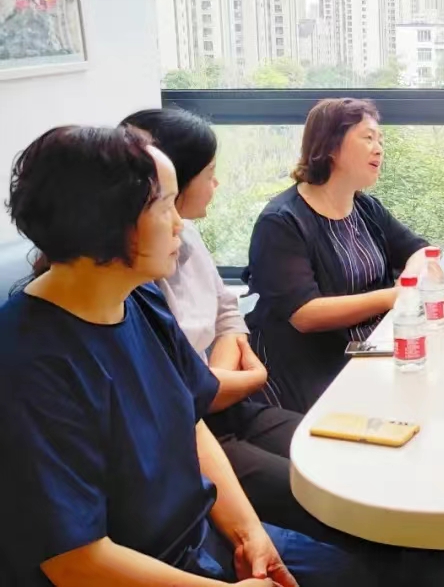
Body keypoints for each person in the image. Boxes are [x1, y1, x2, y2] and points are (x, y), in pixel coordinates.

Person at [0, 125, 373, 586]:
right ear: (105, 220)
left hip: (201, 543)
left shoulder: (140, 298)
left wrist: (250, 533)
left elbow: (191, 423)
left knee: (366, 573)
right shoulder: (28, 364)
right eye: (164, 207)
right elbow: (76, 562)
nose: (179, 224)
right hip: (136, 572)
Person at [121, 107, 337, 544]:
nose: (216, 184)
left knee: (342, 453)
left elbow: (227, 311)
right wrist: (245, 377)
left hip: (228, 403)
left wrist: (219, 377)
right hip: (198, 426)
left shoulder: (186, 233)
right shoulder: (137, 280)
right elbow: (184, 393)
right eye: (209, 174)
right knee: (325, 494)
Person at [245, 97, 439, 413]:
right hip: (309, 373)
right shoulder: (281, 221)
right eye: (368, 138)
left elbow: (421, 250)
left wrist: (408, 284)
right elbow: (305, 314)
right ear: (330, 146)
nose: (379, 149)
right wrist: (393, 297)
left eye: (380, 140)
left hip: (370, 353)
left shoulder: (365, 207)